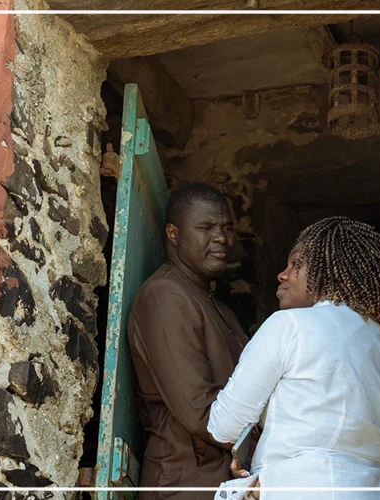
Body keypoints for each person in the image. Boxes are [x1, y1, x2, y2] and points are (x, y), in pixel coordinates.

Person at [207, 216, 380, 499]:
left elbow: (224, 426)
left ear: (331, 271)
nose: (283, 274)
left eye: (296, 264)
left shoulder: (289, 325)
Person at [128, 183, 250, 499]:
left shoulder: (216, 306)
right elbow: (199, 409)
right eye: (206, 227)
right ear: (173, 234)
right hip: (183, 482)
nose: (222, 238)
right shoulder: (165, 295)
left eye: (227, 227)